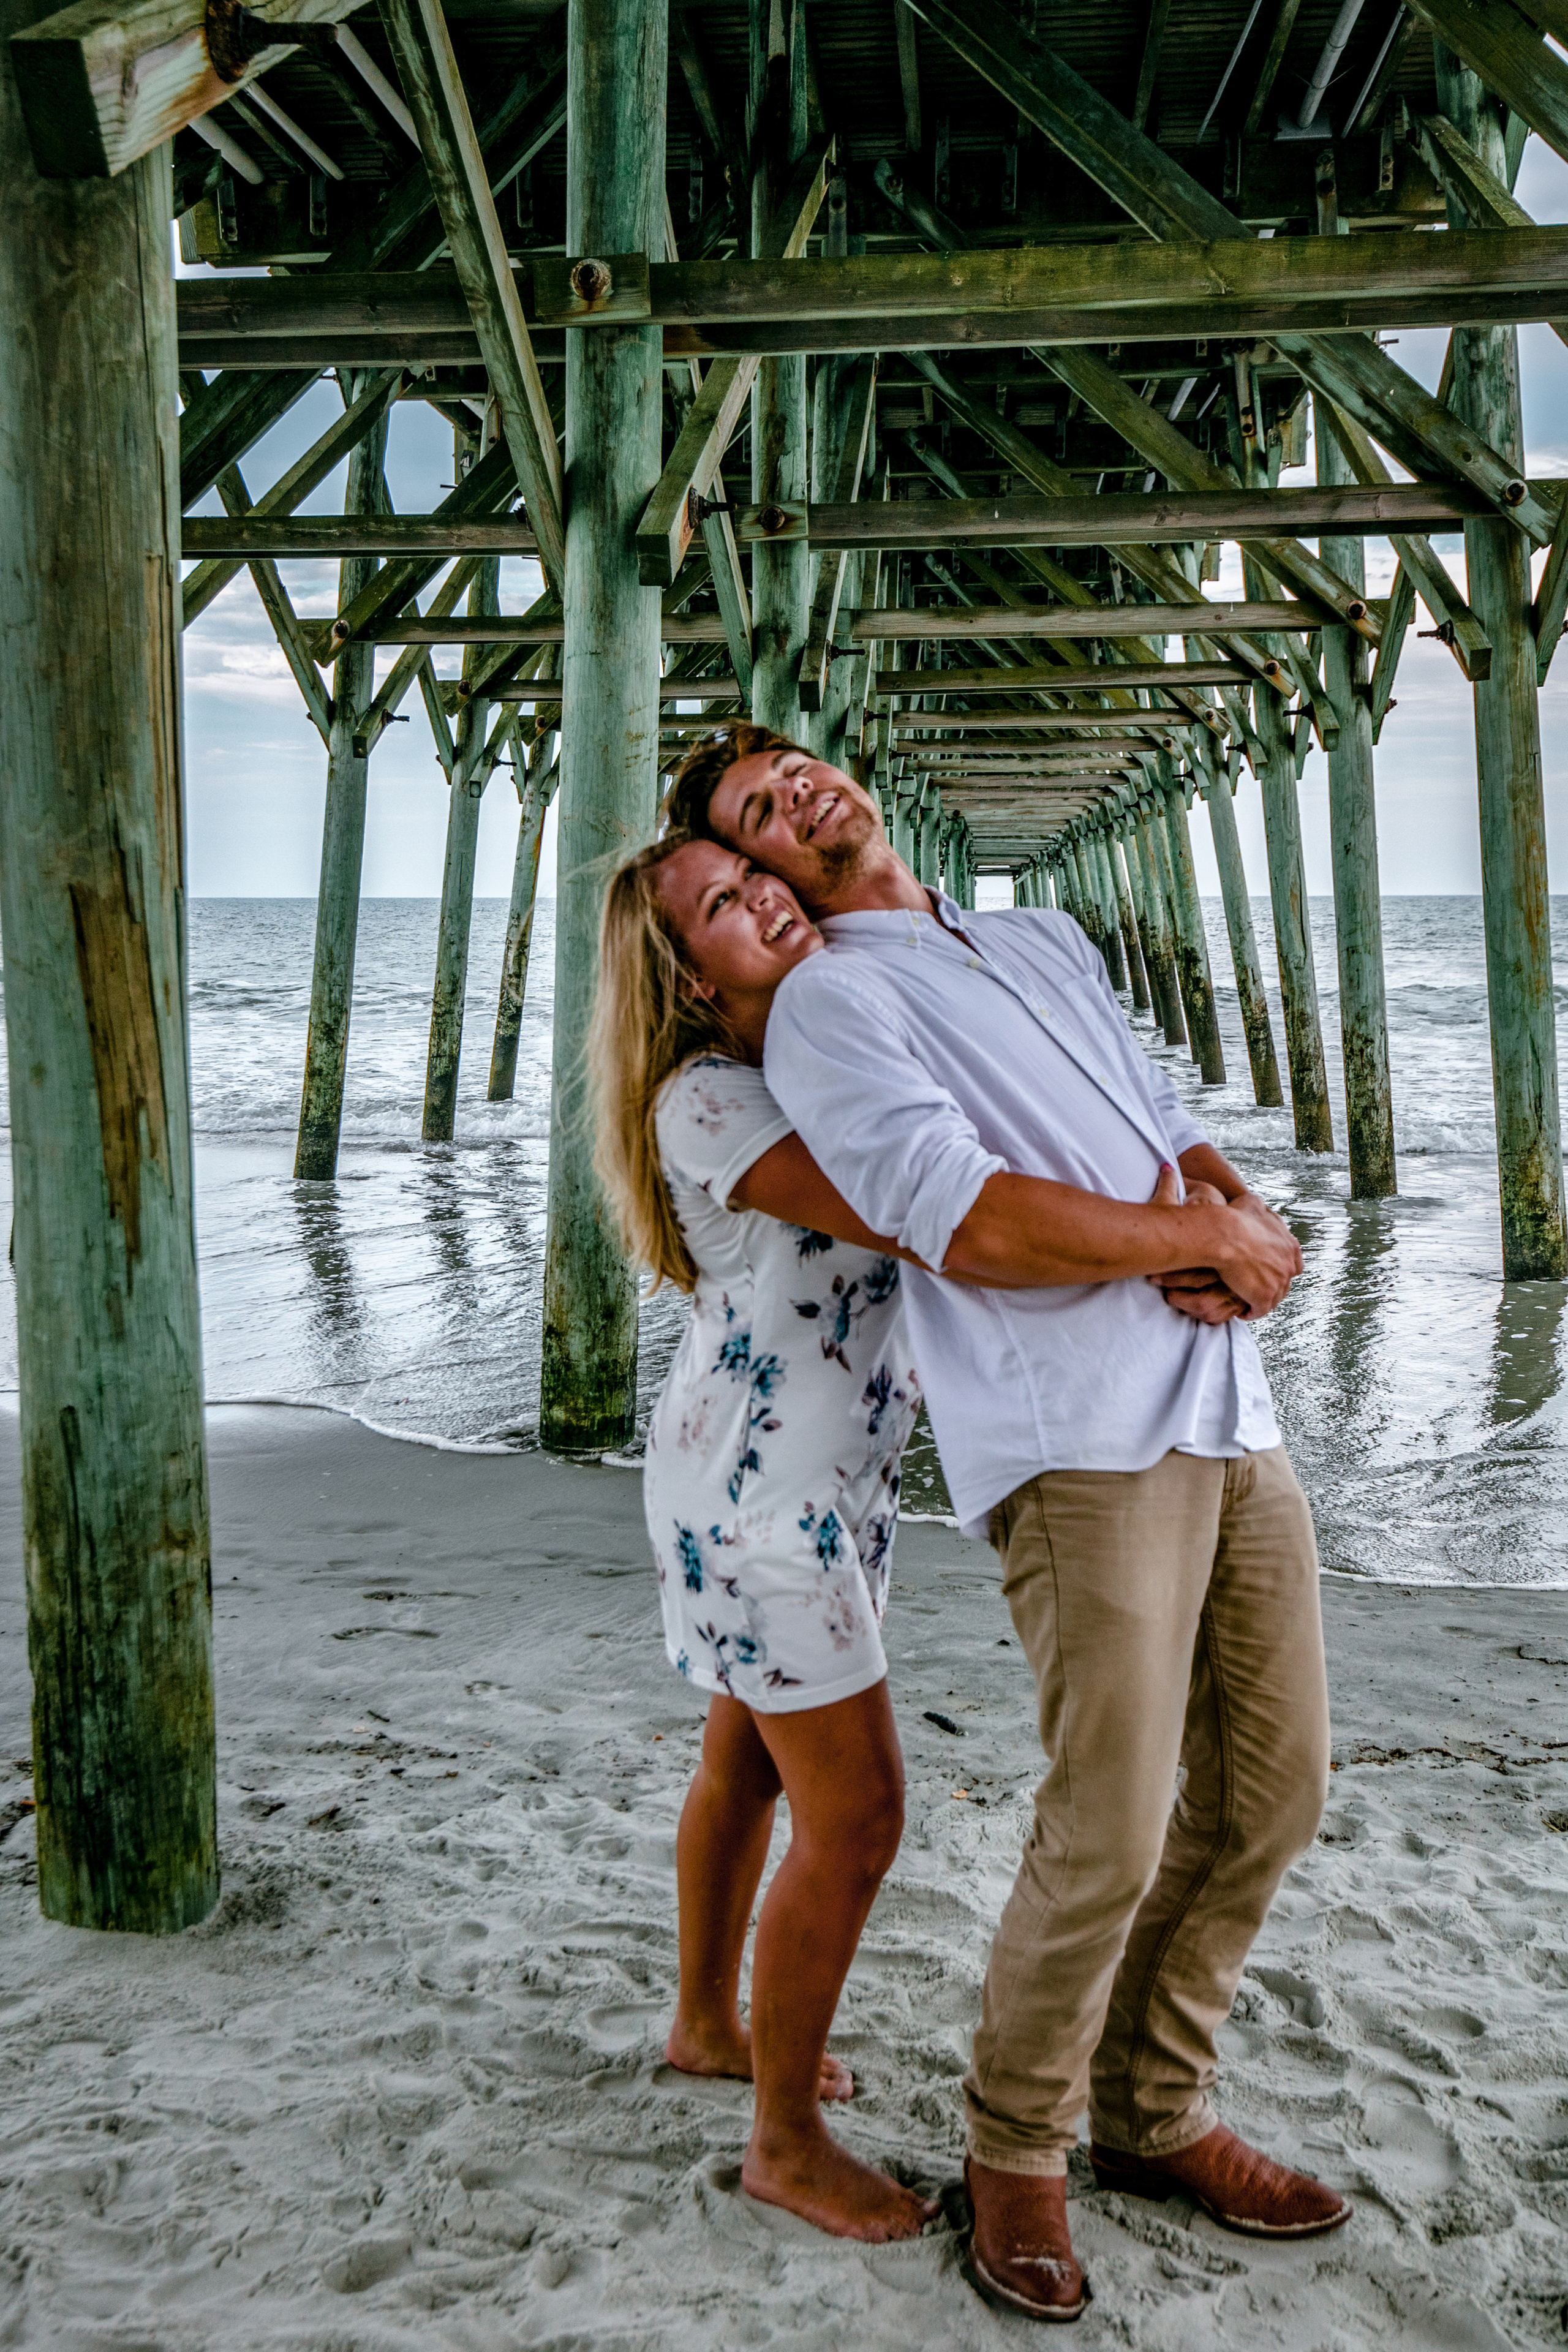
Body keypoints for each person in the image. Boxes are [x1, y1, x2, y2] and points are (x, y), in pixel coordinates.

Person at [662, 725, 1349, 2322]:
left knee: (1277, 1788)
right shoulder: (835, 997)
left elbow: (1153, 1112)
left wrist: (1236, 1219)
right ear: (764, 876)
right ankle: (1018, 2154)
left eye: (791, 767)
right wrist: (1182, 1233)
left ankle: (1155, 2111)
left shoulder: (1038, 934)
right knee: (1108, 1817)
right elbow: (958, 1218)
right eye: (758, 815)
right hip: (1074, 1437)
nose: (798, 795)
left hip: (1224, 1396)